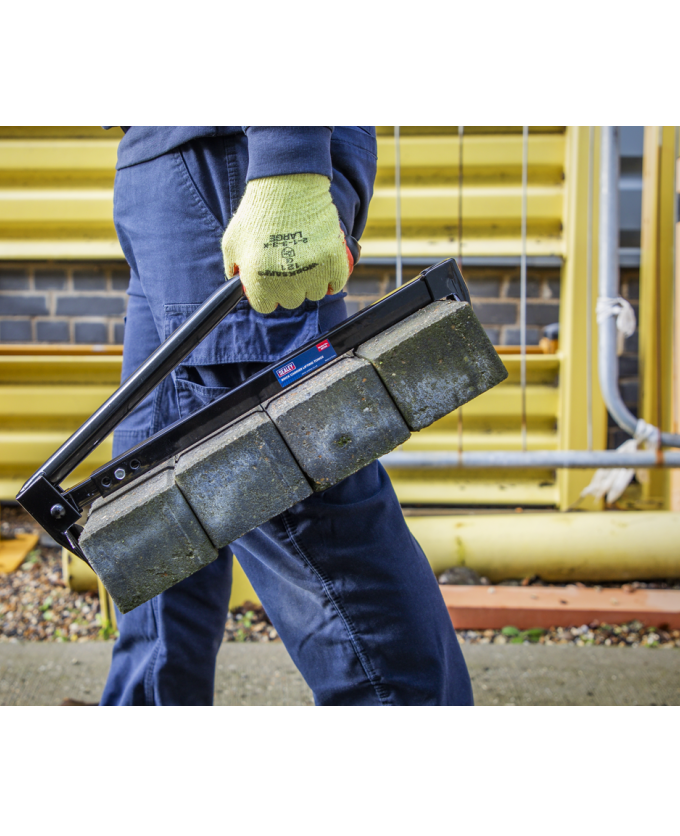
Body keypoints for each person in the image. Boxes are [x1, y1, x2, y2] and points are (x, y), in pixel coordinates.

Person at [97, 126, 473, 707]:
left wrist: (287, 163)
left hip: (233, 166)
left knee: (299, 502)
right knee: (147, 508)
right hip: (164, 166)